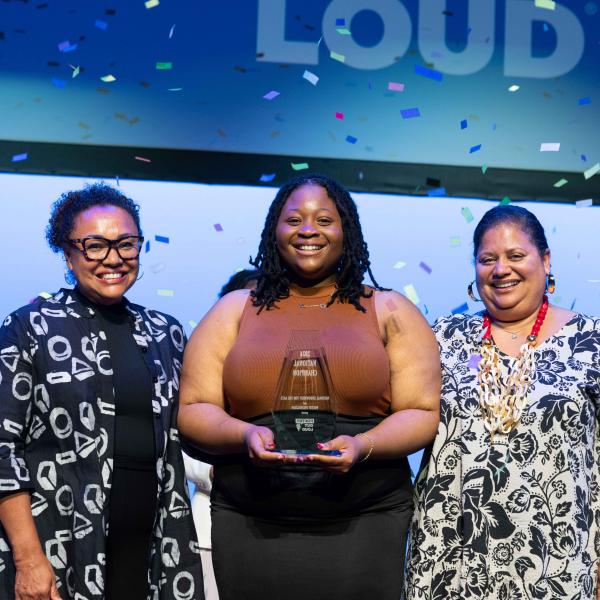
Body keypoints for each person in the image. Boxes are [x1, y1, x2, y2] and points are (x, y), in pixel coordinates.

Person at [178, 173, 441, 600]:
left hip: (365, 520)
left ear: (346, 230)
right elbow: (192, 410)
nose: (307, 230)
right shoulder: (233, 310)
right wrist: (243, 434)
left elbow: (422, 412)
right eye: (294, 219)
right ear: (273, 230)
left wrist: (362, 446)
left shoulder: (390, 309)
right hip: (250, 522)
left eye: (324, 219)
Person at [0, 183, 203, 600]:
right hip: (60, 548)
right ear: (67, 251)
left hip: (153, 544)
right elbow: (2, 452)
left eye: (126, 243)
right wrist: (28, 560)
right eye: (95, 245)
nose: (113, 258)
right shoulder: (28, 328)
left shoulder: (166, 333)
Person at [405, 204, 600, 599]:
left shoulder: (591, 343)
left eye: (516, 256)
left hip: (556, 561)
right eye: (487, 259)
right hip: (447, 560)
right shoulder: (442, 340)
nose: (500, 270)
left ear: (545, 261)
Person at [182, 270, 257, 600]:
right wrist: (220, 473)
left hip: (286, 532)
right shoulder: (204, 369)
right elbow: (178, 443)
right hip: (211, 531)